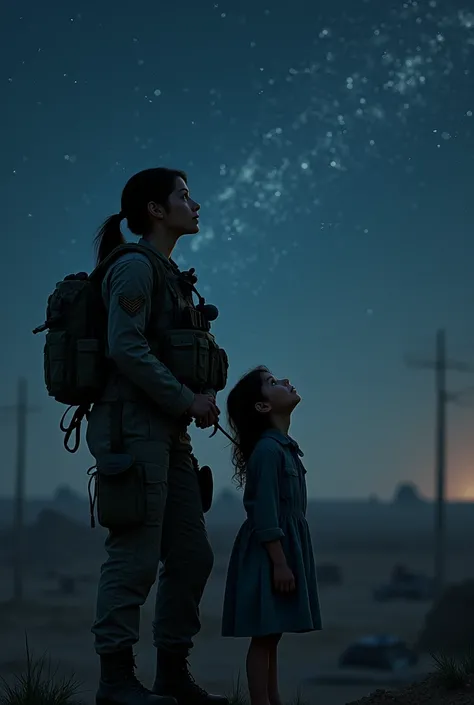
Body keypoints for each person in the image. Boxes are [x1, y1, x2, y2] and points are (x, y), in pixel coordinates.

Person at [86, 167, 229, 705]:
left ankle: (172, 673)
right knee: (135, 556)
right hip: (132, 428)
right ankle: (116, 681)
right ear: (155, 209)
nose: (195, 205)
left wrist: (192, 400)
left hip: (168, 435)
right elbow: (125, 346)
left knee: (192, 555)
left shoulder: (168, 273)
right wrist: (184, 399)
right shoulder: (134, 269)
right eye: (184, 196)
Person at [221, 366, 322, 705]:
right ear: (262, 407)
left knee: (271, 633)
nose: (286, 382)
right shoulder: (267, 451)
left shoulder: (284, 448)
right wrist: (280, 562)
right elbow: (263, 512)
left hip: (282, 548)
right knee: (263, 635)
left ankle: (272, 698)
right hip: (270, 552)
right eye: (273, 383)